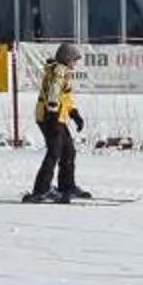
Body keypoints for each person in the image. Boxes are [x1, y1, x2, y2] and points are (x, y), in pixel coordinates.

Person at [24, 42, 89, 203]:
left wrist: (74, 114)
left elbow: (65, 97)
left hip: (57, 117)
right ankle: (41, 190)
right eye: (74, 60)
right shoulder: (59, 71)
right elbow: (54, 92)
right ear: (66, 59)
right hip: (50, 117)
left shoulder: (63, 71)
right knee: (54, 152)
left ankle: (66, 186)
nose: (75, 63)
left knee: (68, 151)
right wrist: (52, 112)